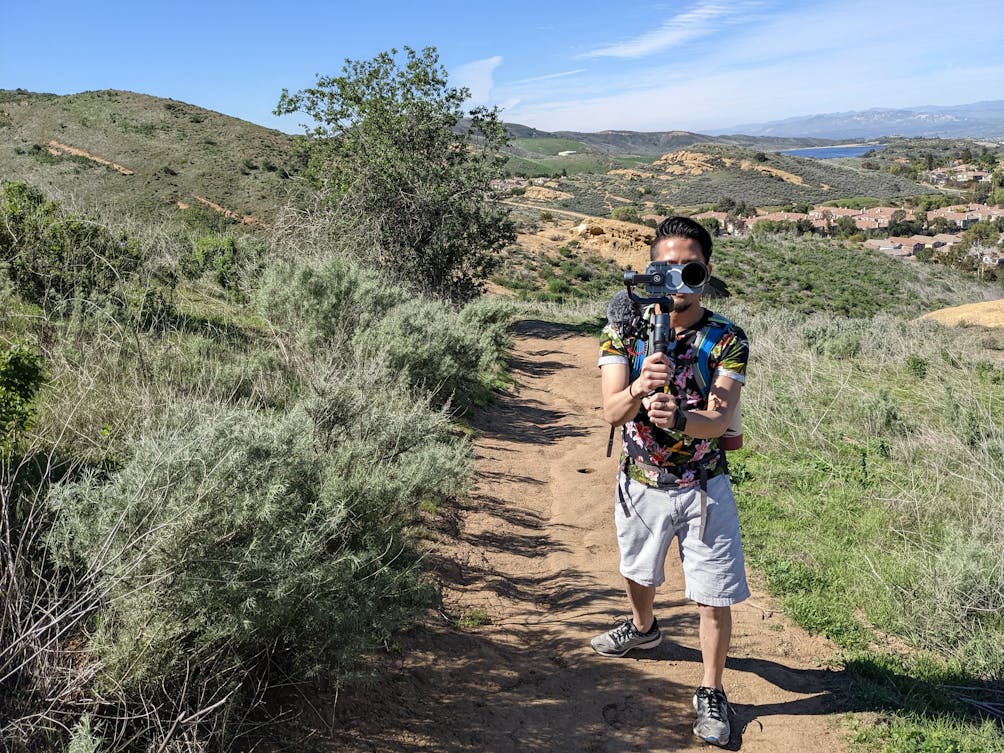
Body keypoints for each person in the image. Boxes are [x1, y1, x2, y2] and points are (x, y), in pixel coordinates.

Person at [593, 215, 750, 747]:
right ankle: (643, 629)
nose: (677, 279)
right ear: (649, 271)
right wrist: (640, 385)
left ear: (707, 270)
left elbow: (720, 420)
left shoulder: (726, 337)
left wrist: (680, 420)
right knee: (638, 570)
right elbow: (612, 411)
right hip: (640, 481)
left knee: (713, 592)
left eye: (689, 268)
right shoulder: (623, 329)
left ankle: (711, 688)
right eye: (665, 268)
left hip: (704, 486)